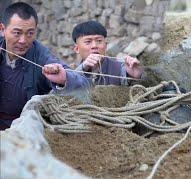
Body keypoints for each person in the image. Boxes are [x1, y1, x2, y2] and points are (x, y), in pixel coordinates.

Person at [0, 2, 90, 130]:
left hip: (25, 129)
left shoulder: (41, 56)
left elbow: (83, 84)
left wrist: (64, 78)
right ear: (3, 29)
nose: (23, 40)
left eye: (30, 33)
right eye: (17, 33)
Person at [72, 20, 143, 85]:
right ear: (77, 49)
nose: (94, 46)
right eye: (88, 42)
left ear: (106, 45)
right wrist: (84, 68)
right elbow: (69, 84)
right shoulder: (70, 73)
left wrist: (136, 76)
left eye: (99, 41)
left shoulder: (120, 68)